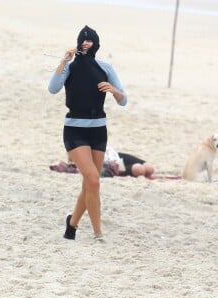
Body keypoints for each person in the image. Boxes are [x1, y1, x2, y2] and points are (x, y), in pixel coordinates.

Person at [48, 25, 127, 241]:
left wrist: (114, 91)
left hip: (98, 132)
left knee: (89, 184)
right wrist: (64, 60)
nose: (85, 44)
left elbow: (124, 100)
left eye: (89, 41)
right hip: (74, 130)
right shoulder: (70, 67)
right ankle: (98, 233)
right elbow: (53, 88)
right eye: (82, 41)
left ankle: (71, 225)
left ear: (96, 44)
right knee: (93, 179)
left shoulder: (105, 68)